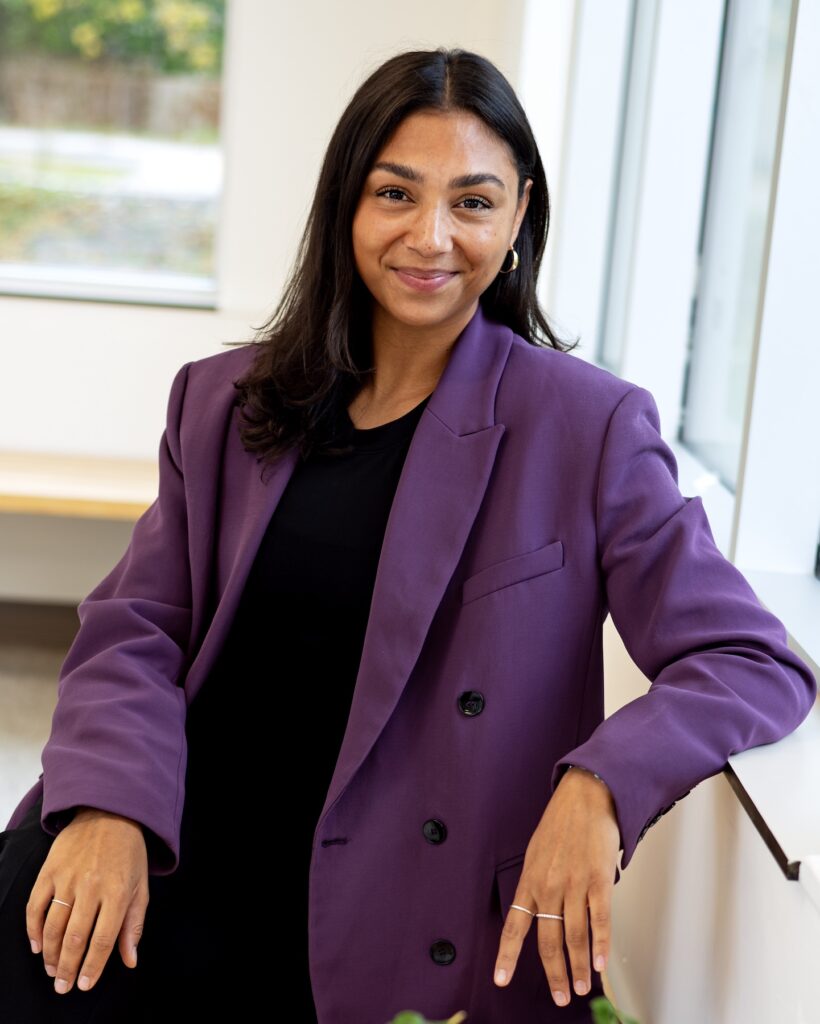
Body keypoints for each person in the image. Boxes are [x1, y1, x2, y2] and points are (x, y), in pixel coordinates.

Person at [0, 45, 816, 1023]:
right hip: (161, 846)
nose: (430, 235)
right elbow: (136, 627)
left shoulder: (586, 427)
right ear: (346, 206)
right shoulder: (224, 402)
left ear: (520, 219)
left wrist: (598, 785)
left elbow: (746, 655)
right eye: (396, 193)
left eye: (472, 201)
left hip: (383, 912)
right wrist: (106, 804)